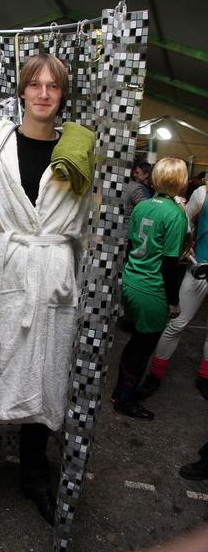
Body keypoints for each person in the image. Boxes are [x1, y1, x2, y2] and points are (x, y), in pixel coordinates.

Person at [0, 54, 92, 527]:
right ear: (22, 90)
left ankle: (35, 477)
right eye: (35, 84)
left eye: (53, 86)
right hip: (2, 273)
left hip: (50, 278)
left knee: (44, 375)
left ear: (62, 94)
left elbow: (88, 222)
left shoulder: (77, 154)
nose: (43, 94)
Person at [112, 157, 189, 420]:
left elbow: (132, 246)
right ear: (179, 180)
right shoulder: (175, 214)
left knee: (135, 341)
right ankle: (124, 400)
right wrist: (174, 301)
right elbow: (169, 264)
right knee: (143, 348)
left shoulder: (143, 205)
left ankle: (119, 393)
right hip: (152, 289)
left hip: (132, 281)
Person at [137, 180, 208, 401]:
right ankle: (155, 375)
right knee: (177, 323)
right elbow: (185, 221)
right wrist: (186, 247)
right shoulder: (203, 193)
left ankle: (205, 377)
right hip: (200, 269)